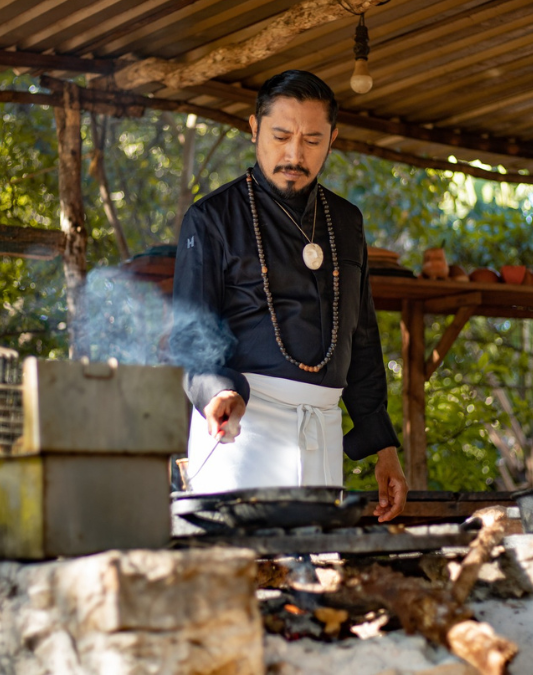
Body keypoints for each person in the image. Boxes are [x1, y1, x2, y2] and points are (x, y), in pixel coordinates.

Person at [170, 70, 407, 522]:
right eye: (280, 136)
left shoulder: (346, 221)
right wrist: (217, 392)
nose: (294, 154)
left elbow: (360, 338)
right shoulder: (211, 218)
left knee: (313, 576)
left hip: (322, 428)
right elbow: (191, 336)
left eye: (313, 140)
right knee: (245, 578)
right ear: (255, 128)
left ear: (332, 139)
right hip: (242, 428)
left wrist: (384, 448)